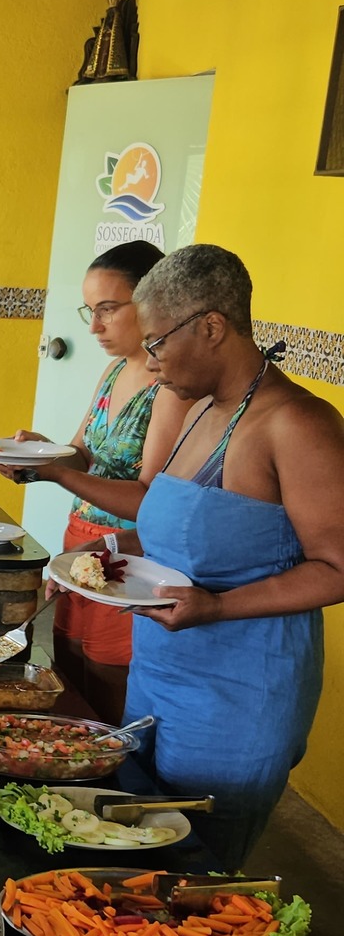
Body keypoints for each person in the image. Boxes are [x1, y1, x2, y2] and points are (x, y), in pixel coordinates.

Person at [127, 242, 344, 867]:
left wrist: (218, 607)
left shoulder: (296, 423)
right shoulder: (199, 411)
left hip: (238, 694)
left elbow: (337, 567)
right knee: (133, 849)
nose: (150, 362)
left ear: (212, 327)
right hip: (159, 672)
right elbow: (182, 532)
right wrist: (103, 556)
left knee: (197, 872)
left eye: (157, 342)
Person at [0, 242, 190, 722]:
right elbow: (82, 454)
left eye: (107, 309)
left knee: (105, 679)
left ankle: (111, 764)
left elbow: (147, 501)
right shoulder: (115, 370)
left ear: (151, 303)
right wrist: (38, 454)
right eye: (90, 311)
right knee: (68, 668)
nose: (94, 326)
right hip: (80, 542)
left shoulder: (169, 390)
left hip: (127, 555)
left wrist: (56, 472)